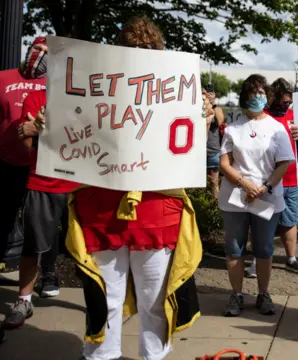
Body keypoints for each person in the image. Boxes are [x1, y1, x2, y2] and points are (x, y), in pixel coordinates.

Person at [65, 17, 202, 360]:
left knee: (155, 303)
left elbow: (188, 144)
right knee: (103, 301)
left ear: (159, 52)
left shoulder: (176, 91)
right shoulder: (94, 89)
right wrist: (46, 126)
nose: (139, 52)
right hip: (102, 209)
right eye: (131, 47)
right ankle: (100, 356)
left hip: (157, 210)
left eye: (148, 48)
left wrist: (204, 113)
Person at [218, 74, 295, 317]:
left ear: (268, 96)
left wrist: (264, 187)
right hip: (235, 198)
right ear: (245, 96)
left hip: (267, 196)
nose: (257, 98)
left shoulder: (277, 128)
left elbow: (284, 163)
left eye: (262, 93)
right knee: (235, 249)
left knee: (264, 249)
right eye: (252, 93)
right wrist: (244, 184)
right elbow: (224, 163)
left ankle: (263, 293)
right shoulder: (233, 128)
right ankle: (237, 294)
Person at [3, 90, 79, 329]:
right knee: (33, 244)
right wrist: (36, 131)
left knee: (93, 250)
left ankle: (105, 303)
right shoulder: (38, 97)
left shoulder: (93, 93)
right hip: (43, 181)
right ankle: (24, 300)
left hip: (85, 184)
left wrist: (42, 131)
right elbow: (28, 144)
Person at [244, 78, 298, 277]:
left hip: (294, 180)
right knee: (262, 222)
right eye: (281, 102)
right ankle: (256, 261)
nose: (285, 106)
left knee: (290, 221)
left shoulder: (295, 117)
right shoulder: (263, 117)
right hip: (268, 181)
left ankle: (291, 258)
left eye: (288, 102)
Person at [0, 37, 48, 269]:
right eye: (37, 48)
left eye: (46, 52)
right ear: (29, 48)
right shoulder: (3, 77)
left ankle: (48, 275)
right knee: (4, 217)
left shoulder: (53, 84)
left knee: (42, 223)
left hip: (40, 165)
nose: (40, 55)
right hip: (6, 161)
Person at [204, 86, 225, 199]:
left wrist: (213, 105)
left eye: (211, 93)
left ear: (215, 95)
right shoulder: (198, 107)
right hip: (198, 151)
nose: (209, 96)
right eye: (207, 93)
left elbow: (220, 121)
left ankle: (214, 205)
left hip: (213, 150)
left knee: (213, 181)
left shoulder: (217, 108)